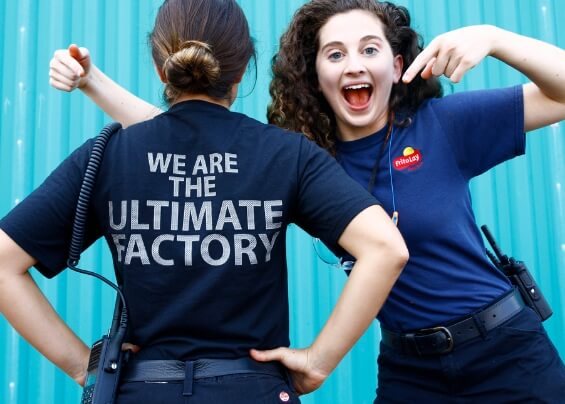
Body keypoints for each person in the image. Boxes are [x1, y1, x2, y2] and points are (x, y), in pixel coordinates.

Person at [48, 0, 565, 402]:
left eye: (370, 49)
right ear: (315, 74)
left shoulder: (445, 125)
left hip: (505, 350)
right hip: (410, 367)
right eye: (334, 54)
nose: (353, 65)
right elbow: (185, 131)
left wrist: (495, 39)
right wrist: (94, 82)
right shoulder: (301, 155)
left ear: (397, 62)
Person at [0, 0, 409, 403]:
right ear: (243, 68)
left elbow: (4, 262)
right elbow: (384, 247)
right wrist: (319, 362)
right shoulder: (285, 154)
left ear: (162, 67)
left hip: (141, 392)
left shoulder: (107, 156)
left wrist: (81, 366)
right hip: (253, 391)